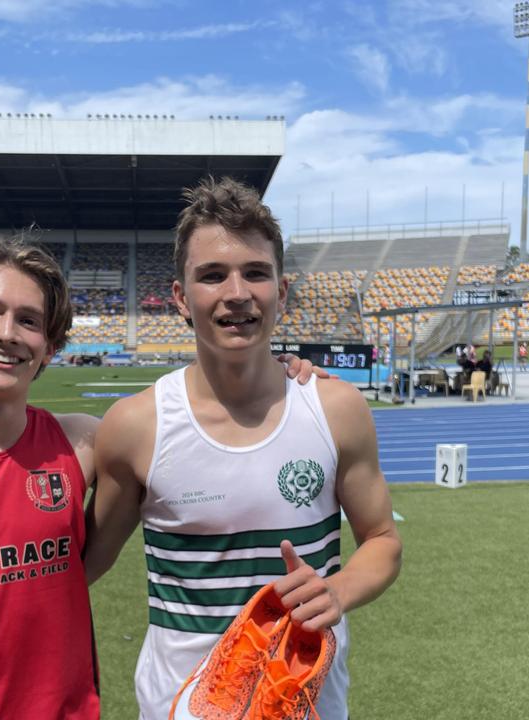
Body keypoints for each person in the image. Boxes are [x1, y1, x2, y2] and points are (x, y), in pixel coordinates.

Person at [0, 237, 322, 720]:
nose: (7, 333)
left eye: (29, 321)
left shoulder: (82, 445)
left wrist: (272, 368)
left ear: (49, 346)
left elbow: (196, 428)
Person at [85, 177, 402, 719]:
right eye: (212, 275)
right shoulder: (137, 424)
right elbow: (82, 565)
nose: (237, 293)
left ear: (281, 291)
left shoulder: (335, 408)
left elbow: (382, 540)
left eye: (256, 272)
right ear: (182, 298)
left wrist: (339, 591)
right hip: (177, 706)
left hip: (306, 705)